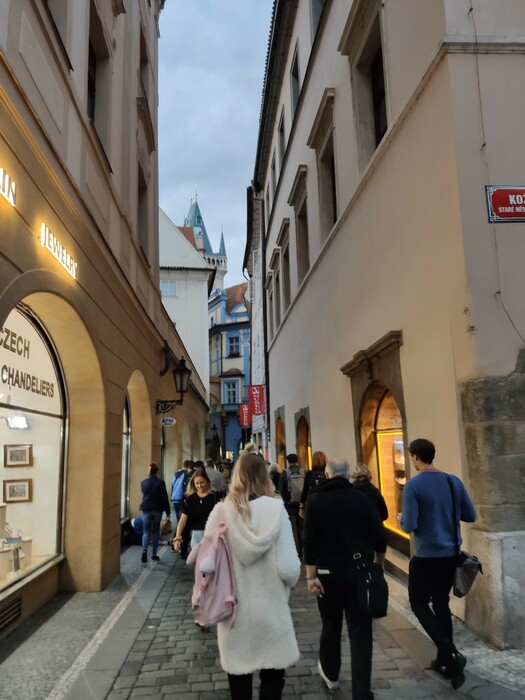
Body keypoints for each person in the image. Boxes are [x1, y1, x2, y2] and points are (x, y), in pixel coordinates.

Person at [204, 447, 300, 700]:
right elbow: (290, 570)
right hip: (271, 612)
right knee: (273, 680)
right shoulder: (276, 510)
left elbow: (205, 564)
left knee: (239, 681)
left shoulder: (221, 512)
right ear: (264, 476)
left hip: (234, 612)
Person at [303, 458, 386, 698]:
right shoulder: (361, 498)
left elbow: (309, 540)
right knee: (361, 633)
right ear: (349, 475)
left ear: (328, 474)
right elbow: (379, 537)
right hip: (358, 572)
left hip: (327, 574)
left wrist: (310, 576)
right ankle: (362, 691)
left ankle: (331, 674)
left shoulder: (315, 500)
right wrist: (378, 565)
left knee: (330, 625)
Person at [401, 438, 476, 690]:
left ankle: (451, 651)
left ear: (415, 457)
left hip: (425, 557)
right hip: (450, 556)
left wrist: (402, 519)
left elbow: (409, 525)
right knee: (441, 603)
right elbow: (470, 515)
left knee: (418, 603)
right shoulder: (452, 481)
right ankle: (446, 662)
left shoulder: (413, 486)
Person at [173, 467, 217, 553]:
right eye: (197, 483)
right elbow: (182, 521)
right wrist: (177, 538)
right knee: (197, 559)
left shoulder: (214, 497)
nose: (199, 486)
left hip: (211, 535)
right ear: (193, 483)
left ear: (207, 481)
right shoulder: (190, 500)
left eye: (202, 482)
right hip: (195, 535)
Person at [139, 462, 171, 563]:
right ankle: (154, 554)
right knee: (156, 531)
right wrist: (168, 511)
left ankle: (144, 551)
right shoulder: (161, 483)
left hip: (146, 509)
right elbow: (164, 498)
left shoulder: (143, 482)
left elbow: (144, 493)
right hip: (157, 509)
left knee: (146, 531)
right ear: (157, 471)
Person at [278, 453, 305, 558]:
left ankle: (296, 551)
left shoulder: (285, 473)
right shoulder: (303, 472)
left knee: (292, 529)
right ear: (297, 461)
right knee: (301, 529)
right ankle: (303, 551)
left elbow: (280, 490)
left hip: (289, 505)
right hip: (301, 505)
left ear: (288, 462)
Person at [298, 450, 327, 518]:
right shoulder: (327, 473)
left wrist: (301, 507)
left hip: (312, 503)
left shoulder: (309, 474)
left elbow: (305, 491)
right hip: (325, 503)